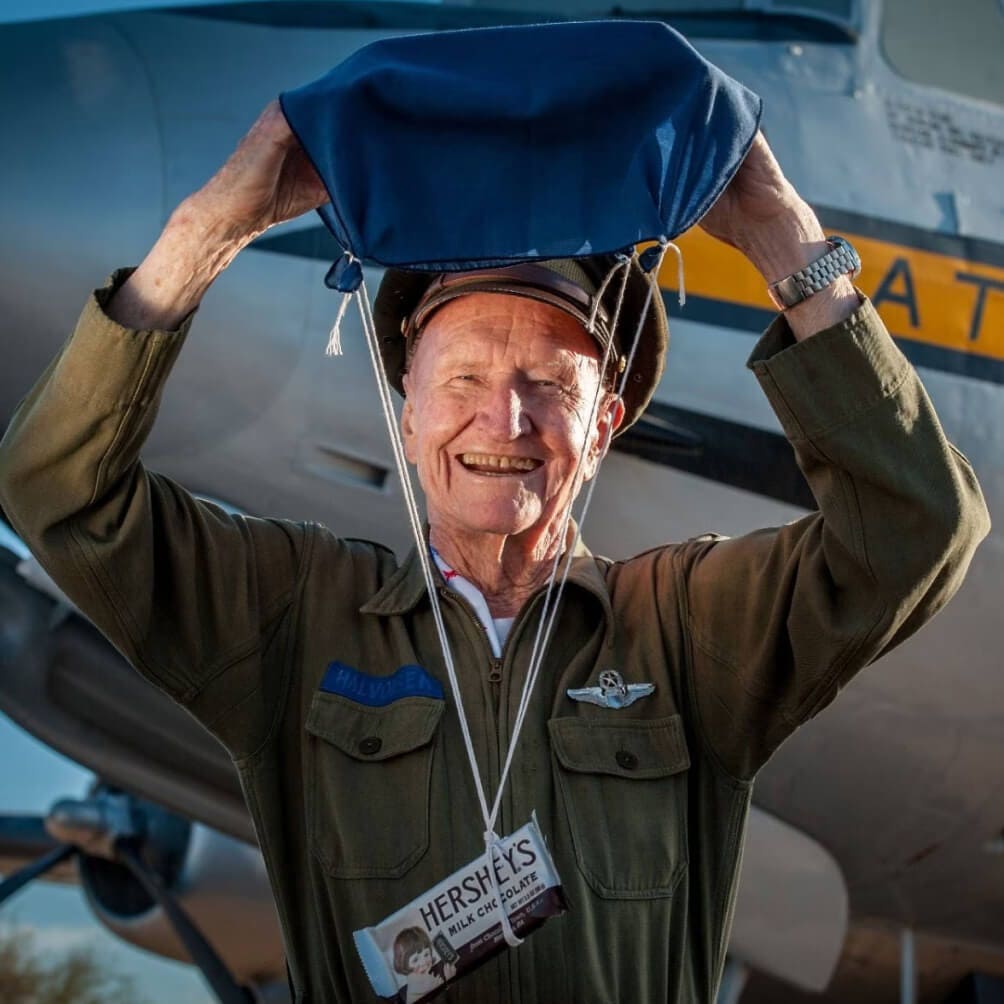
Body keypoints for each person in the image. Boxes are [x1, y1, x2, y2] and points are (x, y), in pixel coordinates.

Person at [0, 98, 989, 1004]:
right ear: (408, 405)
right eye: (463, 373)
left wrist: (786, 245)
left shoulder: (687, 632)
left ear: (604, 422)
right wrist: (201, 234)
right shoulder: (293, 617)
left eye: (547, 383)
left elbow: (918, 528)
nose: (502, 416)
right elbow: (59, 491)